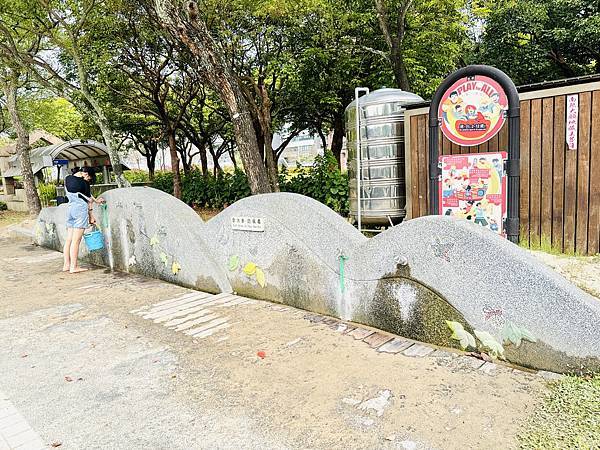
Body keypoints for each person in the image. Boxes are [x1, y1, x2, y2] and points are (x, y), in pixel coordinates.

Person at [62, 167, 104, 273]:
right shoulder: (84, 183)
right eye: (89, 177)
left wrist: (95, 200)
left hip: (71, 209)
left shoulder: (68, 179)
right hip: (80, 210)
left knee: (69, 240)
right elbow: (88, 199)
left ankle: (67, 265)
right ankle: (74, 267)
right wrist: (91, 216)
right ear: (86, 175)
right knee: (76, 240)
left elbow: (85, 195)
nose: (88, 179)